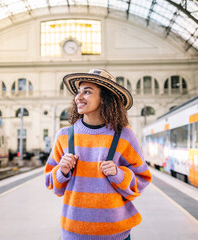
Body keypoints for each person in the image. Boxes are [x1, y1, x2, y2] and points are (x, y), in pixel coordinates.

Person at [44, 69, 152, 240]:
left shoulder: (124, 135)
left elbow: (142, 179)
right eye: (78, 92)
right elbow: (53, 185)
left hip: (116, 234)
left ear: (104, 98)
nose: (78, 97)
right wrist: (62, 171)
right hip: (74, 232)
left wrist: (119, 174)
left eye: (87, 91)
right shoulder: (64, 136)